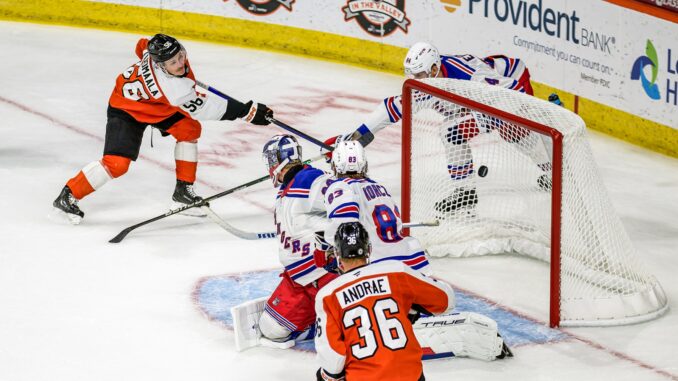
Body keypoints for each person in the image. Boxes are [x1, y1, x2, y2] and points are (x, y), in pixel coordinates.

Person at [53, 33, 273, 224]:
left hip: (157, 106)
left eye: (181, 55)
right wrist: (247, 111)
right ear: (161, 66)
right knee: (117, 165)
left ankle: (182, 192)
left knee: (188, 130)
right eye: (174, 62)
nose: (181, 63)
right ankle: (68, 195)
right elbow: (206, 109)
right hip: (126, 109)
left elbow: (141, 45)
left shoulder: (155, 54)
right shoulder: (176, 89)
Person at [323, 42, 554, 217]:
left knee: (512, 131)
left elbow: (508, 93)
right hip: (477, 101)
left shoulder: (469, 75)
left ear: (435, 68)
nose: (416, 80)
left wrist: (526, 116)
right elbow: (391, 109)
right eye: (412, 75)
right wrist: (355, 138)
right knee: (454, 132)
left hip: (511, 83)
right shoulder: (425, 83)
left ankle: (553, 171)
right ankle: (465, 192)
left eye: (421, 74)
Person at [314, 222, 511, 381]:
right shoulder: (395, 271)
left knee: (324, 377)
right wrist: (412, 306)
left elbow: (333, 360)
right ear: (368, 249)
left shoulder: (327, 295)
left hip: (365, 376)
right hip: (410, 375)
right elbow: (446, 300)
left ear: (338, 255)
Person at [257, 134, 339, 345]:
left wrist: (340, 167)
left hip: (326, 274)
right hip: (299, 280)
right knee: (270, 328)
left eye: (270, 160)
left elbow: (343, 196)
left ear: (278, 160)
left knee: (351, 329)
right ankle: (316, 324)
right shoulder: (286, 189)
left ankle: (326, 322)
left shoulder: (309, 179)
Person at [318, 140, 431, 275]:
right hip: (412, 262)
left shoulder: (341, 186)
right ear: (364, 164)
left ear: (335, 166)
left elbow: (344, 227)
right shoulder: (378, 187)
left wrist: (327, 246)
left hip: (379, 267)